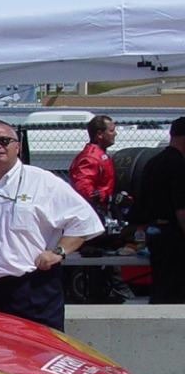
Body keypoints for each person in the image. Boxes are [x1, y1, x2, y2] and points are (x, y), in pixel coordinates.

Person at [0, 121, 103, 330]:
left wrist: (58, 252)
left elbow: (84, 220)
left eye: (4, 141)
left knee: (40, 357)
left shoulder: (43, 182)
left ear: (17, 146)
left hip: (35, 291)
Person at [69, 115, 133, 303]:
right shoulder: (91, 157)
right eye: (111, 130)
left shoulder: (100, 154)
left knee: (108, 253)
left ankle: (108, 288)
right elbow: (83, 188)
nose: (115, 134)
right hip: (93, 216)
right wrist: (108, 198)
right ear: (99, 134)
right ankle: (104, 291)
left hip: (101, 215)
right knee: (98, 256)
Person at [129, 117, 185, 303]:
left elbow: (141, 202)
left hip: (154, 234)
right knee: (174, 291)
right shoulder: (178, 165)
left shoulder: (153, 162)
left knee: (160, 288)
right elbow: (181, 210)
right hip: (174, 237)